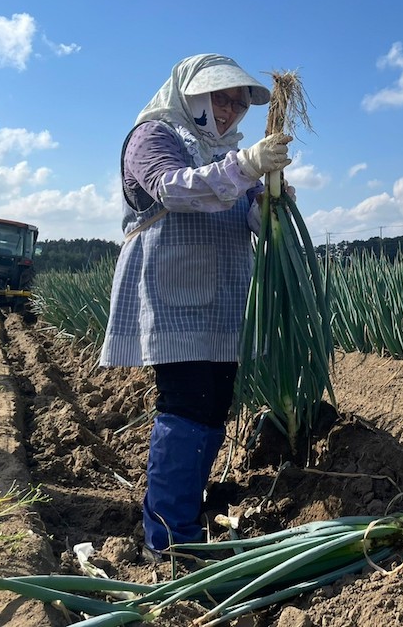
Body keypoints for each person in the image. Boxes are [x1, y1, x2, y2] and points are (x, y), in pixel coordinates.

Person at [99, 53, 293, 557]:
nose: (228, 112)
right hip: (174, 293)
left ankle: (187, 505)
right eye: (219, 99)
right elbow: (172, 189)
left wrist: (271, 198)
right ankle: (167, 541)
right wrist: (247, 166)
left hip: (225, 294)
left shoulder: (226, 151)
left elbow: (251, 216)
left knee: (214, 404)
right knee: (185, 404)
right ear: (192, 96)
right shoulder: (154, 135)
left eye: (236, 103)